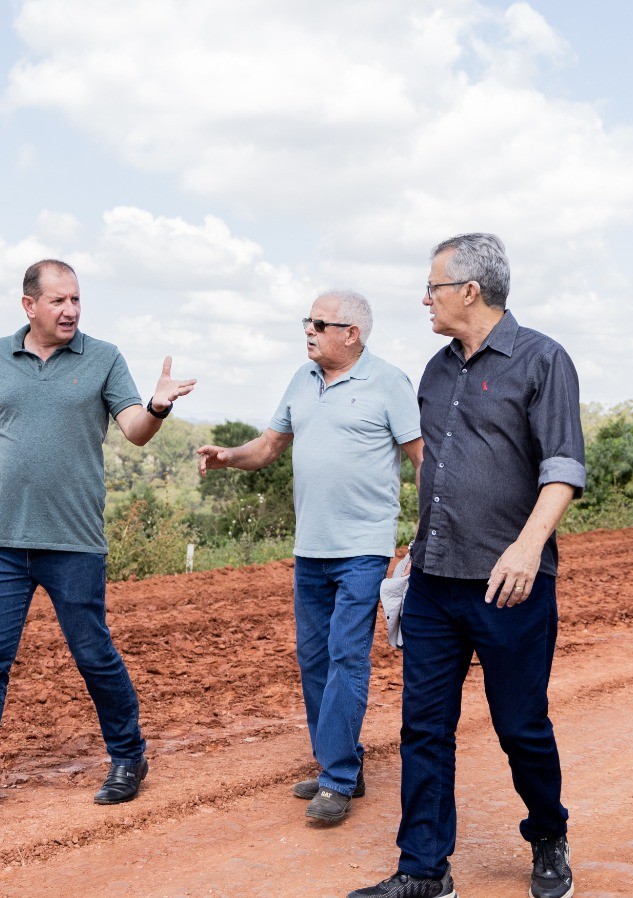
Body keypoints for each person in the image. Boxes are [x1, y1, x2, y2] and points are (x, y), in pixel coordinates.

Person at [0, 259, 197, 831]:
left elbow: (135, 429)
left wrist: (158, 405)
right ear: (29, 305)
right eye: (59, 300)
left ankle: (129, 756)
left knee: (93, 654)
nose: (71, 310)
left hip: (74, 542)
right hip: (3, 541)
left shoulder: (103, 357)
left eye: (76, 299)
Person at [350, 234, 585, 898]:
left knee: (521, 726)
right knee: (423, 727)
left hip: (510, 584)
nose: (425, 299)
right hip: (434, 581)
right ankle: (424, 869)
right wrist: (418, 541)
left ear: (470, 291)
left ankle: (548, 833)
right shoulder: (435, 369)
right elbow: (440, 468)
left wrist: (527, 547)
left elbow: (563, 467)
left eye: (433, 287)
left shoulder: (542, 359)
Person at [196, 290, 422, 826]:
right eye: (309, 321)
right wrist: (227, 457)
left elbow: (423, 459)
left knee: (346, 657)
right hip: (310, 549)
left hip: (363, 548)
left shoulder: (389, 382)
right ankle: (341, 761)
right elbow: (268, 446)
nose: (309, 331)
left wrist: (427, 531)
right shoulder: (303, 379)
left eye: (320, 324)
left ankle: (337, 778)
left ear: (352, 334)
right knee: (314, 658)